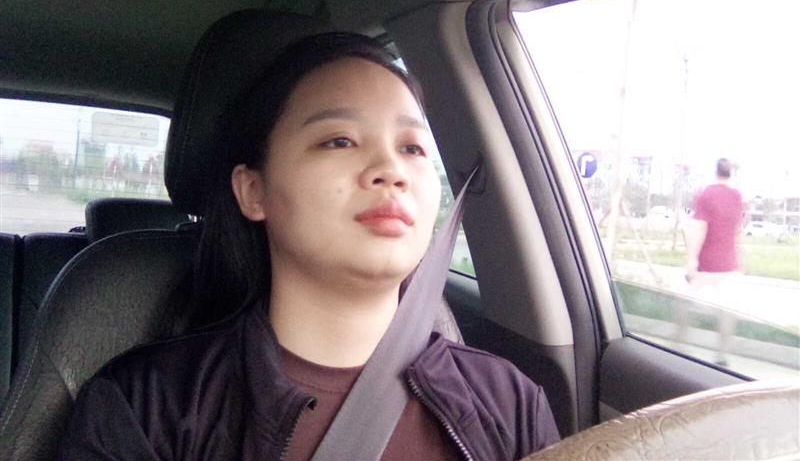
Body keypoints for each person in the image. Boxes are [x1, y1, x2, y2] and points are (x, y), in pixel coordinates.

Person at [58, 32, 560, 460]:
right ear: (253, 191)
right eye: (339, 140)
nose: (392, 170)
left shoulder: (510, 402)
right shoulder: (146, 408)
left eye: (412, 147)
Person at [681, 157, 745, 366]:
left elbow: (699, 228)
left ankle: (679, 347)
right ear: (730, 173)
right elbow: (737, 232)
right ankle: (722, 355)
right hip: (729, 266)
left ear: (715, 171)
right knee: (727, 312)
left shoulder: (706, 194)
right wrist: (739, 260)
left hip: (706, 265)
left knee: (685, 303)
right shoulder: (737, 196)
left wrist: (691, 261)